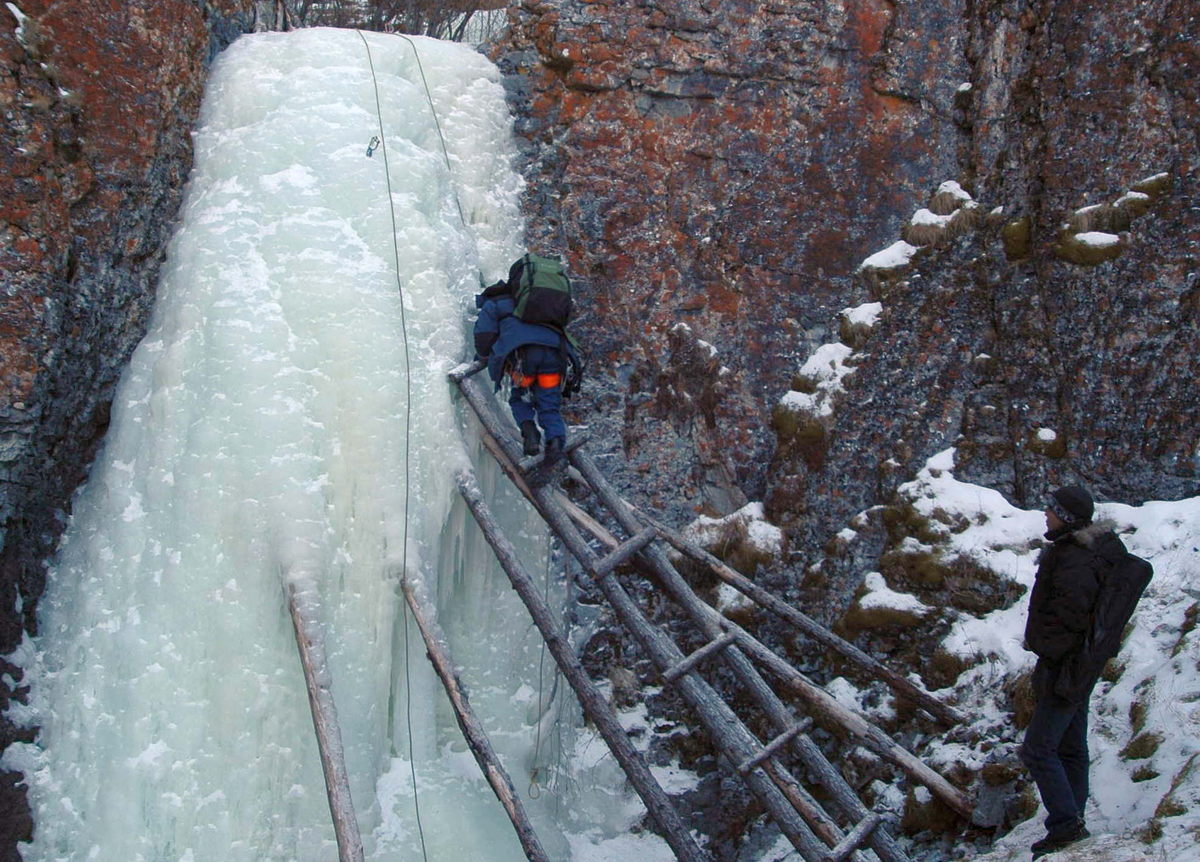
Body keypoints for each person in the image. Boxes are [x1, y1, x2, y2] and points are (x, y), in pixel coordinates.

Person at [1020, 485, 1125, 859]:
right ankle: (1073, 820)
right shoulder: (1082, 551)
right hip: (1079, 665)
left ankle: (1066, 825)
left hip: (1066, 667)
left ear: (1065, 516)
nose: (1044, 515)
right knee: (1070, 747)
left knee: (1037, 749)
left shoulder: (1075, 559)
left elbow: (1072, 616)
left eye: (1050, 510)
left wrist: (1043, 646)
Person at [472, 257, 579, 467]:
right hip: (554, 357)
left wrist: (485, 356)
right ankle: (556, 444)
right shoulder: (547, 306)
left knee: (521, 398)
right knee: (549, 405)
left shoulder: (498, 302)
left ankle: (530, 433)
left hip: (523, 359)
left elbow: (484, 335)